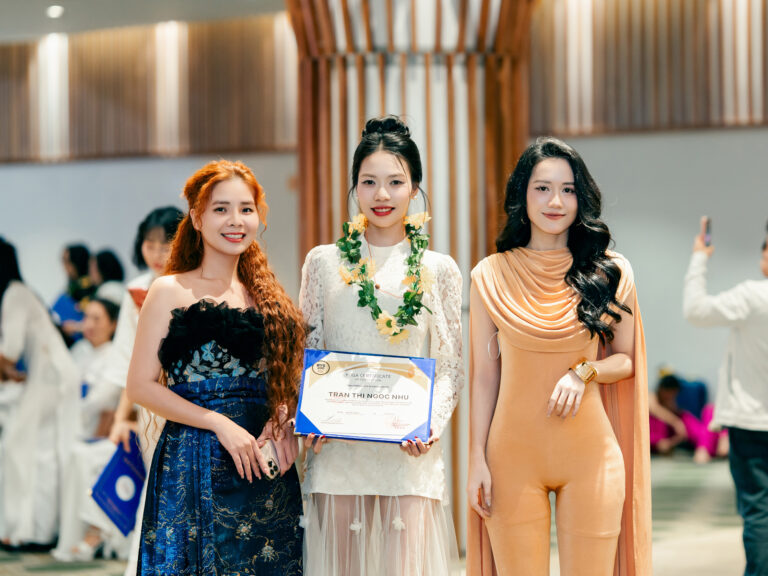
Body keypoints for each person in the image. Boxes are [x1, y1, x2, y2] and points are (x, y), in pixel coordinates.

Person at [466, 137, 651, 575]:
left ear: (581, 197)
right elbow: (485, 377)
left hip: (592, 458)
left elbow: (626, 360)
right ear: (522, 195)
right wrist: (476, 458)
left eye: (568, 190)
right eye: (543, 188)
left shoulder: (609, 272)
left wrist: (584, 371)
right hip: (510, 459)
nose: (555, 201)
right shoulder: (491, 275)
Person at [299, 116, 464, 575]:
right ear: (355, 188)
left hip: (408, 452)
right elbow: (307, 349)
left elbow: (450, 365)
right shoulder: (323, 263)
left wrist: (430, 425)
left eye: (395, 181)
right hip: (337, 448)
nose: (382, 195)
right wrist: (309, 412)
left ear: (415, 188)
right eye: (369, 182)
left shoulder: (438, 268)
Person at [127, 161, 305, 575]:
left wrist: (284, 418)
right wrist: (218, 423)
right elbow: (140, 386)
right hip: (194, 460)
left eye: (246, 209)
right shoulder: (168, 290)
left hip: (262, 465)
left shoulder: (268, 296)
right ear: (196, 218)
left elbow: (286, 380)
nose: (235, 220)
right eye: (221, 209)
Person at [683, 217, 768, 576]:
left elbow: (696, 310)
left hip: (752, 423)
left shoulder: (753, 296)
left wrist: (699, 257)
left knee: (759, 512)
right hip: (751, 423)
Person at [104, 206, 182, 576]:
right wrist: (122, 418)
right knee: (158, 486)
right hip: (151, 403)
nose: (157, 253)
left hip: (192, 397)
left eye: (165, 244)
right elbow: (127, 360)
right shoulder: (135, 290)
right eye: (149, 244)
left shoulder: (192, 281)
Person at [0, 237, 81, 548]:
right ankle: (31, 529)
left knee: (24, 448)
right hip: (50, 375)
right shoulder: (20, 292)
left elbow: (10, 350)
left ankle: (31, 530)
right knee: (39, 452)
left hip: (51, 378)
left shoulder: (14, 294)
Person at [52, 296, 124, 562]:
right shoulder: (80, 352)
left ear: (113, 324)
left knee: (79, 456)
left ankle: (92, 533)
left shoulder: (115, 357)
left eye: (97, 318)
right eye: (86, 317)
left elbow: (101, 402)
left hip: (98, 431)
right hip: (71, 424)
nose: (89, 324)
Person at [648, 373, 728, 463]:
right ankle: (710, 445)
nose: (670, 398)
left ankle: (721, 437)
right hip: (674, 439)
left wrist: (676, 423)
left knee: (709, 411)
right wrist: (675, 423)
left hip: (697, 436)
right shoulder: (651, 400)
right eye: (668, 395)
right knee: (709, 413)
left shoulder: (679, 415)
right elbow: (652, 406)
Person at [51, 243, 95, 345]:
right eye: (63, 261)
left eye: (67, 261)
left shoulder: (93, 291)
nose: (64, 266)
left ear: (77, 262)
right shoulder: (69, 291)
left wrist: (76, 327)